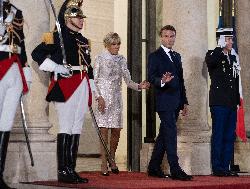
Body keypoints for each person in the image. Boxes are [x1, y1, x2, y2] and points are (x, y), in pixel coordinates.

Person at [31, 0, 93, 184]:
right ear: (67, 18)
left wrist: (94, 90)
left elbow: (89, 66)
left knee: (77, 127)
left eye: (82, 17)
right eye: (78, 17)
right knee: (66, 126)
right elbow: (37, 54)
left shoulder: (83, 39)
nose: (81, 21)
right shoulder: (55, 36)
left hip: (81, 83)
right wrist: (56, 67)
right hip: (65, 84)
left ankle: (71, 168)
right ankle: (62, 170)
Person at [93, 32, 150, 176]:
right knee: (104, 131)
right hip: (103, 98)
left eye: (118, 44)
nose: (117, 46)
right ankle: (104, 162)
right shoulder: (99, 58)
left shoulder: (122, 60)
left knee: (116, 131)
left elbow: (128, 81)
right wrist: (99, 97)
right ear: (107, 45)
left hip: (117, 98)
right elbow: (94, 80)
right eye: (114, 44)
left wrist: (139, 86)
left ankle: (112, 158)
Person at [147, 25, 192, 181]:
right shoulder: (155, 56)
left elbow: (180, 81)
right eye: (166, 36)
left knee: (164, 135)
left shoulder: (177, 56)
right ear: (161, 37)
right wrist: (162, 80)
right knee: (171, 133)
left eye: (172, 36)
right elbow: (151, 77)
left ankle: (153, 166)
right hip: (163, 100)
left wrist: (184, 101)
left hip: (176, 101)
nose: (169, 39)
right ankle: (175, 169)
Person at [0, 0, 32, 188]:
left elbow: (21, 41)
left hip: (14, 68)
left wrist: (26, 70)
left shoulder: (16, 11)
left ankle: (0, 173)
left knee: (5, 123)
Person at [205, 28, 240, 177]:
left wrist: (237, 101)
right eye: (228, 39)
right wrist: (220, 48)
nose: (231, 42)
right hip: (219, 102)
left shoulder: (233, 58)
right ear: (221, 40)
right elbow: (211, 63)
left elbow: (235, 80)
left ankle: (226, 166)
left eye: (232, 39)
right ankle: (217, 167)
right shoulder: (213, 54)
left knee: (229, 135)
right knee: (218, 134)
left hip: (231, 102)